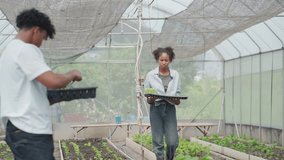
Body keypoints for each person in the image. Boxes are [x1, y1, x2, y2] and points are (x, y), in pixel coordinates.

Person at [0, 8, 82, 160]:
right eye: (43, 38)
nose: (41, 43)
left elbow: (23, 92)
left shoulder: (9, 51)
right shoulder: (25, 49)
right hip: (29, 130)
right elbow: (53, 82)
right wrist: (72, 74)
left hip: (17, 128)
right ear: (36, 31)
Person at [144, 47, 181, 160]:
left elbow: (178, 95)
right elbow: (147, 94)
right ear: (157, 60)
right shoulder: (150, 75)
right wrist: (151, 98)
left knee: (172, 142)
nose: (164, 62)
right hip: (156, 108)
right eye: (161, 60)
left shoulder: (175, 75)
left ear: (170, 60)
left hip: (170, 109)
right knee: (158, 141)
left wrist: (176, 99)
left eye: (166, 60)